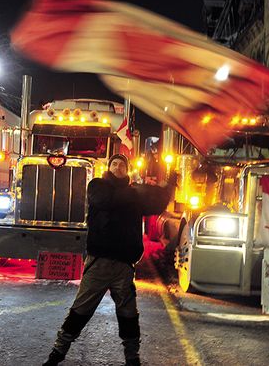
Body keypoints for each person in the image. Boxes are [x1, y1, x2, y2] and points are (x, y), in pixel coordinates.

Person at [43, 154, 178, 366]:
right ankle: (56, 356)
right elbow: (107, 200)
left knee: (129, 315)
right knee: (80, 311)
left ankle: (132, 360)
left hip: (124, 267)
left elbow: (156, 205)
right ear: (109, 167)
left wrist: (169, 186)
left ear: (127, 169)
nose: (118, 167)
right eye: (114, 164)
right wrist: (139, 192)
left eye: (122, 164)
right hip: (99, 264)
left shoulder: (133, 193)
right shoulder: (98, 186)